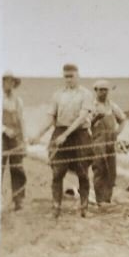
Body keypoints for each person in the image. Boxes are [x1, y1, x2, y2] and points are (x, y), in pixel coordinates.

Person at [30, 63, 94, 218]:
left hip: (80, 135)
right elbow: (51, 117)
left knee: (83, 173)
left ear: (78, 76)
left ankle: (84, 208)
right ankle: (56, 208)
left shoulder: (86, 94)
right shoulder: (58, 94)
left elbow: (81, 118)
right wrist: (38, 135)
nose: (69, 79)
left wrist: (65, 134)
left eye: (71, 76)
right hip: (60, 132)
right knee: (58, 172)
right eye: (66, 76)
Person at [91, 79, 126, 206]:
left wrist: (117, 132)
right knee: (99, 168)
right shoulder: (91, 106)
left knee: (111, 169)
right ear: (96, 91)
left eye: (105, 90)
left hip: (111, 140)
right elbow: (86, 125)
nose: (103, 92)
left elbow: (122, 119)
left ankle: (107, 198)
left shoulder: (112, 105)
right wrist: (96, 118)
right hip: (97, 141)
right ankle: (100, 199)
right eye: (101, 90)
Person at [1, 71, 27, 210]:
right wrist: (5, 129)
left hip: (16, 137)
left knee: (17, 167)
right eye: (6, 81)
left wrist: (24, 140)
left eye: (12, 81)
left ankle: (18, 199)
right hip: (0, 137)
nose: (9, 84)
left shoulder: (18, 100)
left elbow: (21, 121)